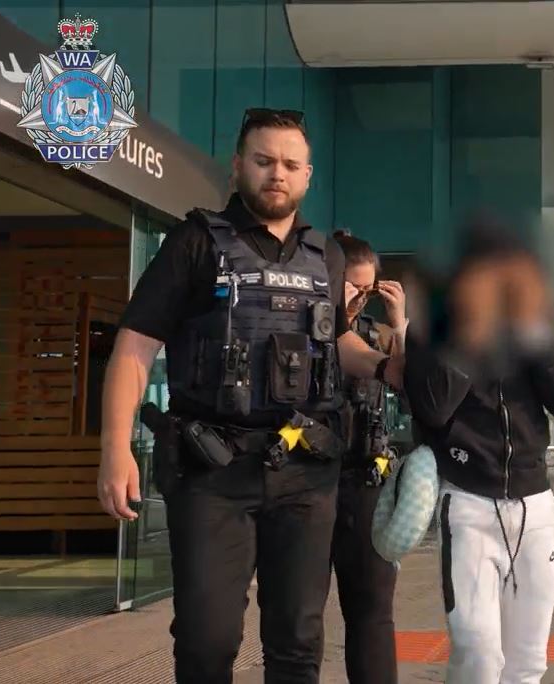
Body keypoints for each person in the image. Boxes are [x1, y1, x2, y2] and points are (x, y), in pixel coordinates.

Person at [96, 108, 403, 684]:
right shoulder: (195, 242)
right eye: (263, 161)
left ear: (308, 175)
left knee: (298, 640)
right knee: (207, 641)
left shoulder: (326, 256)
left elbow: (338, 343)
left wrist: (390, 367)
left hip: (307, 470)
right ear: (239, 166)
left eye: (290, 164)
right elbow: (133, 349)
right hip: (212, 470)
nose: (276, 174)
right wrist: (116, 448)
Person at [403, 218, 554, 684]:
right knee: (478, 655)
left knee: (528, 664)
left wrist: (531, 330)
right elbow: (432, 408)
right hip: (467, 504)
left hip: (535, 507)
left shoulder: (534, 326)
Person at [329, 230, 406, 684]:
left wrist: (400, 323)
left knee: (373, 611)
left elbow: (414, 385)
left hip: (364, 479)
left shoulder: (376, 334)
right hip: (308, 480)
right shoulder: (306, 326)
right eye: (351, 286)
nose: (359, 297)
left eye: (367, 287)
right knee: (299, 615)